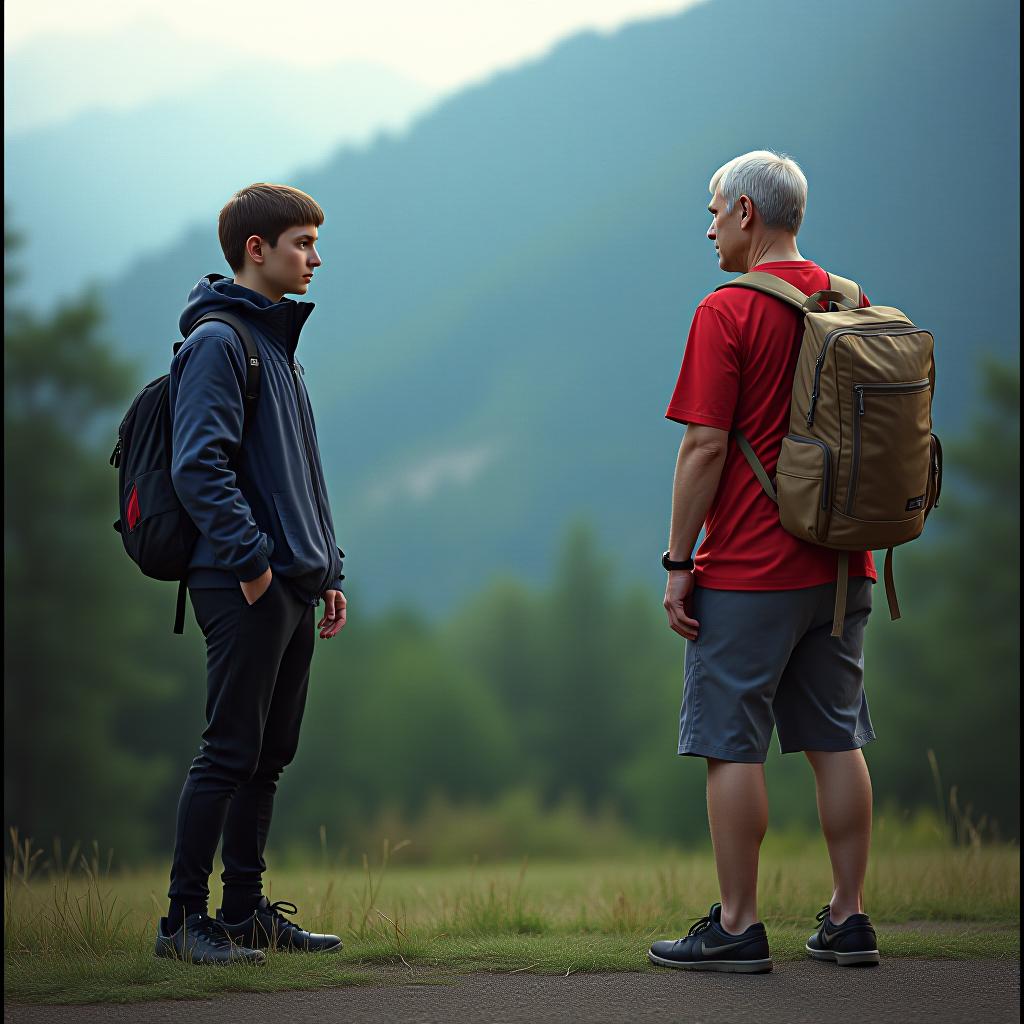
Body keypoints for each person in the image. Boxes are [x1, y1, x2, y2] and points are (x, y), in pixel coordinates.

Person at [648, 151, 881, 973]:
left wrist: (681, 558)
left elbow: (705, 445)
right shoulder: (847, 299)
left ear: (746, 212)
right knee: (836, 738)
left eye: (714, 209)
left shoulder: (728, 310)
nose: (708, 225)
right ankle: (849, 917)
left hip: (750, 565)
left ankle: (739, 924)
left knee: (731, 745)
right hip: (847, 564)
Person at [154, 183, 348, 965]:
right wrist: (256, 568)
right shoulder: (219, 342)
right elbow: (198, 466)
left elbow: (297, 477)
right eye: (302, 242)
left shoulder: (277, 348)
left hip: (290, 582)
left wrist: (325, 569)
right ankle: (180, 923)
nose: (315, 257)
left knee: (268, 755)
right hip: (242, 583)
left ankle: (242, 913)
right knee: (228, 751)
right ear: (255, 250)